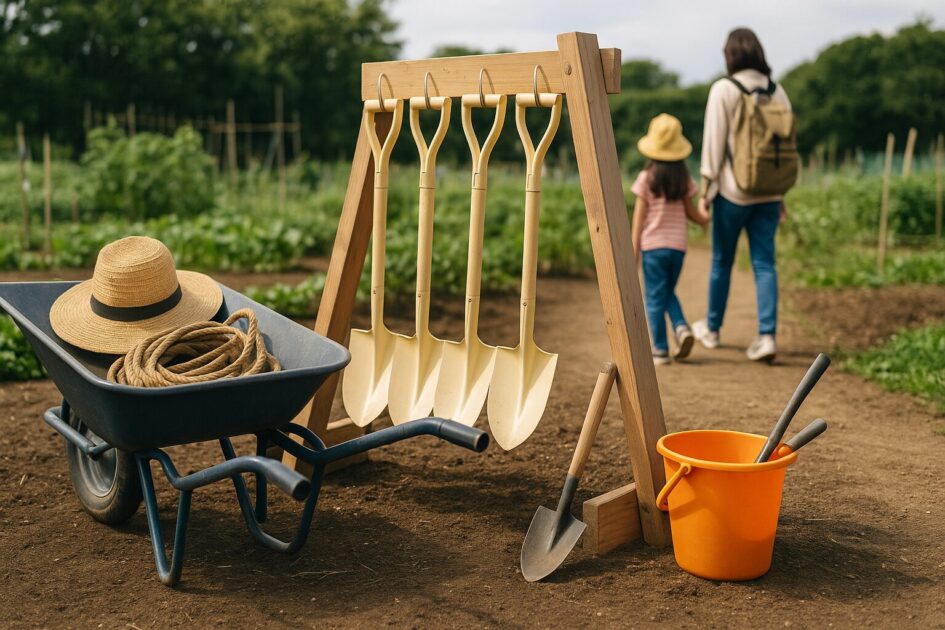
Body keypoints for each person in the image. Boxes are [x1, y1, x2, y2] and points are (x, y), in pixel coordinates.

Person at [692, 27, 794, 363]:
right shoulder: (778, 91)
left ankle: (712, 328)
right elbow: (784, 149)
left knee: (722, 261)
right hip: (768, 194)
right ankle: (766, 336)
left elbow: (713, 144)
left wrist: (706, 190)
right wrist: (779, 194)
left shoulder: (724, 89)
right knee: (765, 264)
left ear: (730, 55)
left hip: (732, 194)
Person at [631, 114, 709, 365]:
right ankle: (681, 327)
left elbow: (639, 220)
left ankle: (661, 350)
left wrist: (634, 251)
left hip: (653, 247)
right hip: (678, 248)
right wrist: (705, 216)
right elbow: (693, 214)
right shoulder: (683, 180)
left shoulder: (646, 179)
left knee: (654, 297)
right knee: (665, 291)